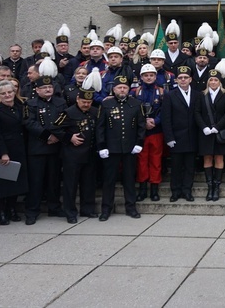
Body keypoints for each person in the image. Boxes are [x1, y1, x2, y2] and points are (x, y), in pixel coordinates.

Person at [96, 75, 145, 221]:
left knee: (129, 179)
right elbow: (100, 128)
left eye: (125, 87)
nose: (122, 90)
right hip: (111, 149)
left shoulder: (136, 104)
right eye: (119, 87)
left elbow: (141, 126)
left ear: (129, 89)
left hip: (130, 148)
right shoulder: (106, 105)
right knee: (109, 180)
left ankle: (131, 208)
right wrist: (101, 146)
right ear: (114, 89)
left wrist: (139, 143)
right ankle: (106, 209)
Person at [53, 77, 99, 223]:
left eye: (89, 102)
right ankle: (70, 212)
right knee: (70, 185)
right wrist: (69, 137)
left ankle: (88, 209)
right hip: (72, 155)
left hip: (90, 154)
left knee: (88, 184)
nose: (86, 105)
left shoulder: (94, 111)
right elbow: (55, 128)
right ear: (78, 99)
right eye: (84, 102)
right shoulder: (68, 112)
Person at [24, 75, 67, 225]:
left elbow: (64, 120)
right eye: (44, 87)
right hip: (37, 149)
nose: (48, 89)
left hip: (56, 148)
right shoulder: (29, 104)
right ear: (37, 90)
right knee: (36, 181)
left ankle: (54, 207)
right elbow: (29, 123)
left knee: (53, 180)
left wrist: (57, 135)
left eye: (50, 87)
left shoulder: (60, 103)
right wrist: (47, 136)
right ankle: (32, 211)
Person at [0, 80, 28, 225]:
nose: (7, 95)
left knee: (16, 182)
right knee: (2, 184)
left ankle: (12, 209)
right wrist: (3, 153)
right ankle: (1, 212)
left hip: (19, 149)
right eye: (3, 93)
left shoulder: (20, 107)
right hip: (3, 151)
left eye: (9, 92)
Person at [162, 65, 199, 201]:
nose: (183, 80)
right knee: (176, 167)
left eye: (186, 78)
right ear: (176, 80)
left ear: (190, 79)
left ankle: (187, 190)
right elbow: (166, 118)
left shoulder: (197, 94)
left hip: (192, 137)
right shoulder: (170, 95)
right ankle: (175, 191)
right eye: (180, 78)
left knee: (190, 167)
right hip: (176, 137)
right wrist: (169, 137)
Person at [196, 69, 225, 201]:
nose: (213, 82)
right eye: (211, 80)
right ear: (207, 82)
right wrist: (204, 127)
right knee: (207, 158)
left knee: (219, 158)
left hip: (219, 132)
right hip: (205, 133)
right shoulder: (202, 95)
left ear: (220, 82)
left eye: (216, 80)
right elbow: (197, 112)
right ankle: (209, 187)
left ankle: (216, 187)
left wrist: (218, 126)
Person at [131, 64, 164, 202]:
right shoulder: (135, 92)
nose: (149, 77)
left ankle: (154, 190)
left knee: (155, 160)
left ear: (155, 76)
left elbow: (165, 110)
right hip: (140, 132)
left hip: (156, 131)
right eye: (146, 75)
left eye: (151, 75)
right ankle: (143, 189)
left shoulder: (162, 92)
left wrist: (155, 121)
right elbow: (132, 110)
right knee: (142, 161)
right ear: (141, 77)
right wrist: (143, 122)